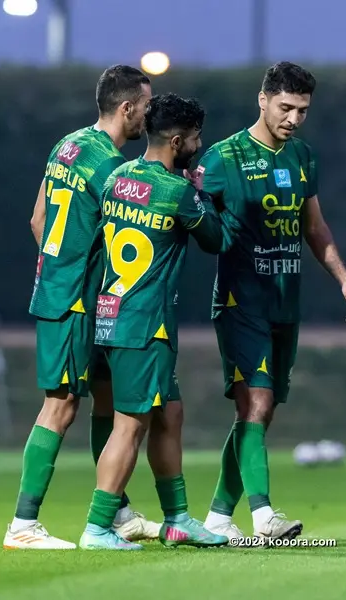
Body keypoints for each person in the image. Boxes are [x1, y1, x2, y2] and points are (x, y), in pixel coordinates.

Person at [199, 62, 346, 542]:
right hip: (240, 301)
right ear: (263, 100)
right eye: (285, 107)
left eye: (303, 110)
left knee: (260, 411)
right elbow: (187, 216)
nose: (293, 118)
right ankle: (263, 514)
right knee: (257, 400)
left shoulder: (303, 157)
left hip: (284, 302)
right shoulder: (224, 157)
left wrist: (344, 280)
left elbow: (314, 228)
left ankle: (216, 516)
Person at [5, 66, 160, 550]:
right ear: (127, 108)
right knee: (60, 406)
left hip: (65, 291)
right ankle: (23, 525)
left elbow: (37, 220)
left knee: (107, 402)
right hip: (75, 300)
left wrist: (59, 263)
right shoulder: (112, 168)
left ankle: (119, 513)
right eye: (147, 108)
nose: (149, 117)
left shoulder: (66, 147)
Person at [79, 93, 235, 550]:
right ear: (177, 140)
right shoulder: (179, 192)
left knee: (170, 412)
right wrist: (207, 195)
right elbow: (218, 239)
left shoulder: (117, 177)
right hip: (146, 325)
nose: (199, 145)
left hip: (110, 316)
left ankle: (179, 518)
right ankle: (97, 527)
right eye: (195, 138)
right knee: (130, 425)